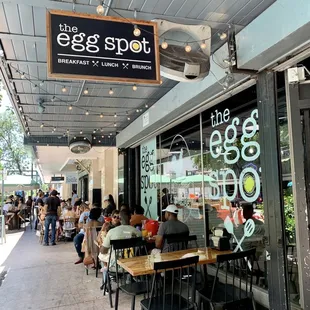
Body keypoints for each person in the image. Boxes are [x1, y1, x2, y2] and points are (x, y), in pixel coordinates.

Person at [100, 210, 141, 286]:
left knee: (101, 256)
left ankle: (107, 284)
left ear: (120, 219)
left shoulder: (112, 232)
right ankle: (129, 278)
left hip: (115, 266)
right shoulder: (137, 232)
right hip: (133, 265)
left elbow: (103, 250)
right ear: (130, 218)